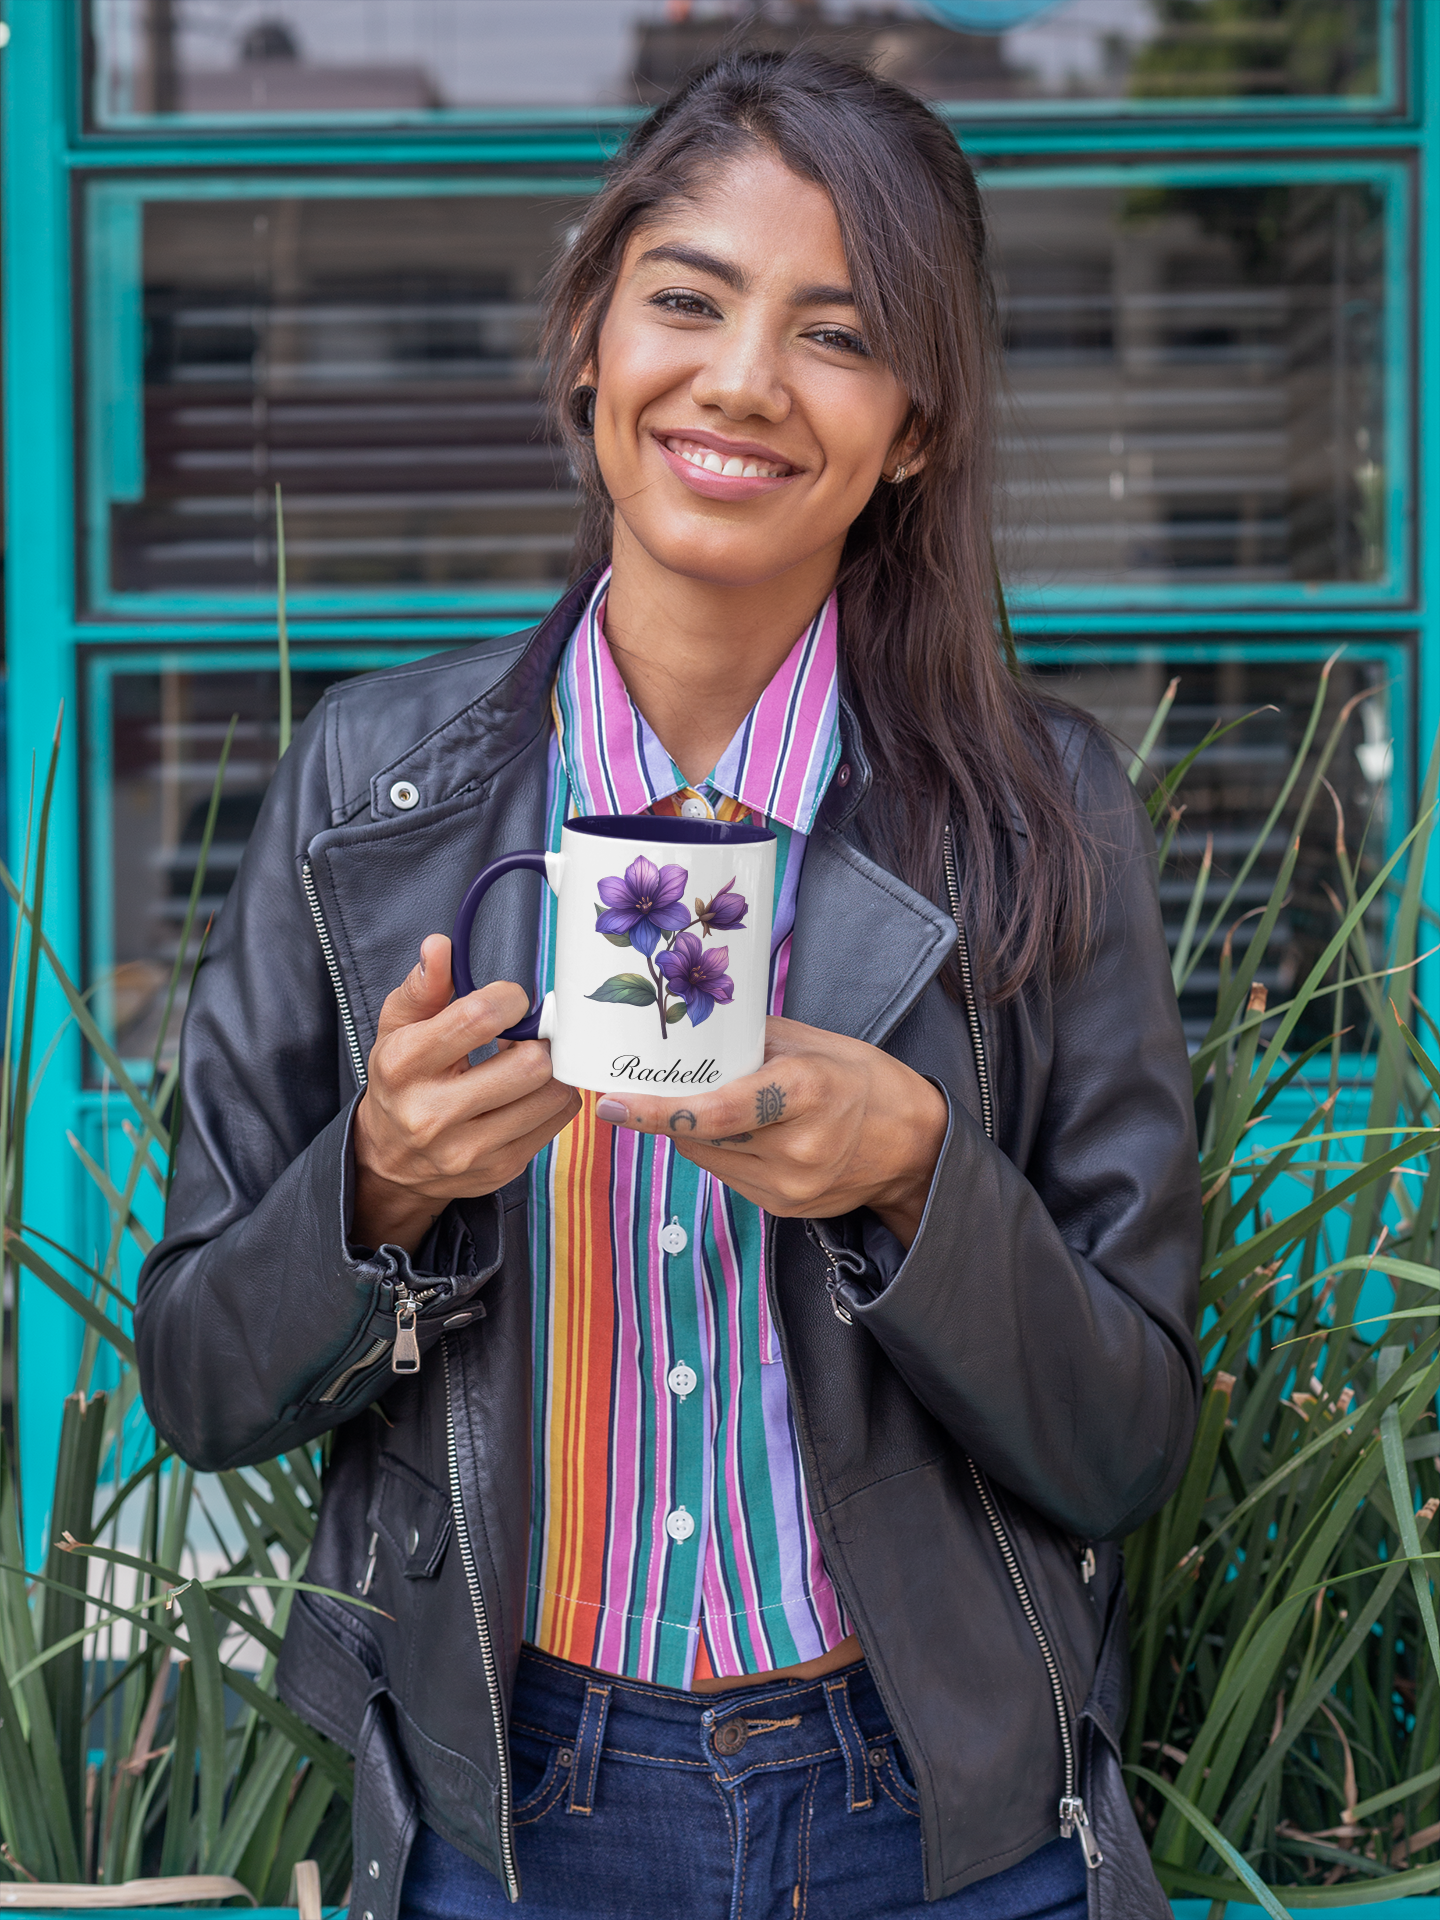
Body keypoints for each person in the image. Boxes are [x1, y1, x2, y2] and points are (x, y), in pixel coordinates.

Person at [135, 48, 1201, 1920]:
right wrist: (381, 1185)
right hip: (519, 1813)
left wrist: (915, 1181)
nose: (739, 380)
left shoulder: (1039, 819)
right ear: (590, 339)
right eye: (688, 299)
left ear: (917, 428)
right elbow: (206, 1381)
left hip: (939, 1813)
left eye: (838, 333)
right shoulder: (368, 800)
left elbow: (1122, 1445)